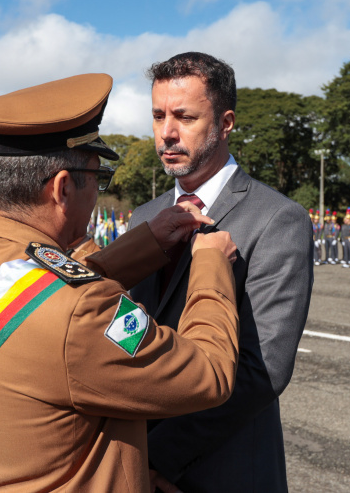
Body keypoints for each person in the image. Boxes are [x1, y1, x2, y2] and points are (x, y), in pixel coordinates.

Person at [0, 73, 241, 492]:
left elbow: (43, 292)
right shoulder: (80, 312)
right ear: (63, 187)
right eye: (97, 179)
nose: (97, 194)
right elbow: (208, 373)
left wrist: (145, 244)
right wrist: (211, 263)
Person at [128, 52, 314, 493]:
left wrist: (159, 457)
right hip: (133, 460)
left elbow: (262, 369)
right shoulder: (144, 216)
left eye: (185, 117)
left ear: (226, 123)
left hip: (222, 467)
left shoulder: (277, 218)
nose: (167, 133)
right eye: (158, 116)